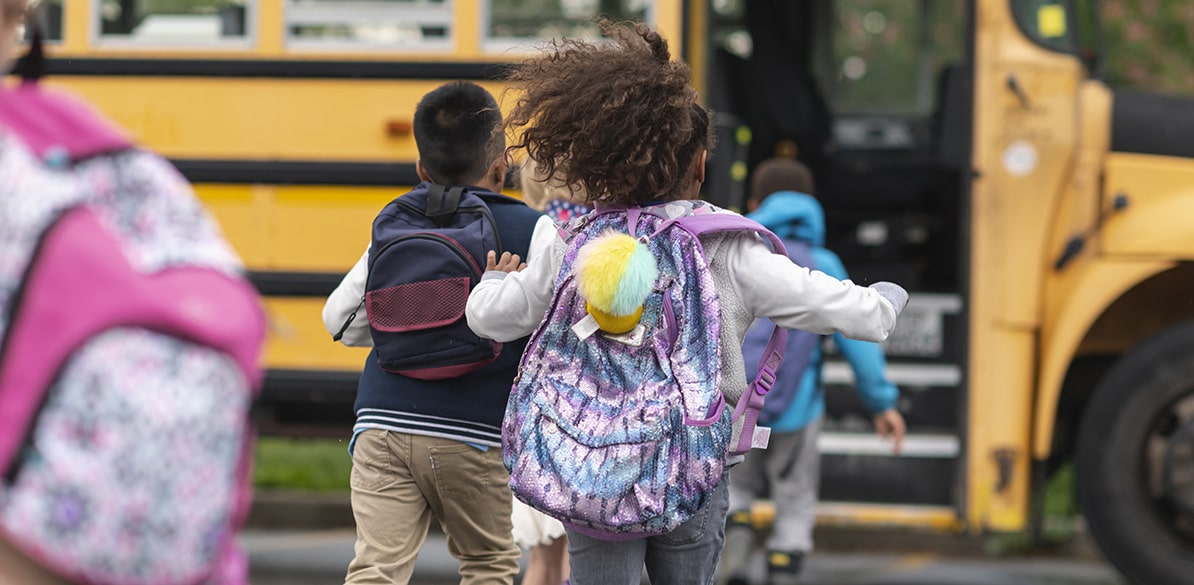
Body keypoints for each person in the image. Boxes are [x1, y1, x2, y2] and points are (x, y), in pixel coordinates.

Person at [463, 21, 908, 585]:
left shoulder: (567, 238)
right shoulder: (727, 246)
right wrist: (884, 303)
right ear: (700, 164)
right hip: (693, 460)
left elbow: (496, 318)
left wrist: (488, 288)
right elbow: (825, 302)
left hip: (590, 461)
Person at [322, 81, 548, 585]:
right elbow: (546, 327)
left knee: (376, 569)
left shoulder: (395, 220)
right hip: (474, 433)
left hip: (381, 420)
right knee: (487, 565)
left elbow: (340, 319)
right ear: (500, 164)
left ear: (421, 168)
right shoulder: (534, 229)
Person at [716, 157, 907, 585]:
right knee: (796, 494)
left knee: (734, 484)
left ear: (754, 202)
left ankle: (738, 536)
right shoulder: (823, 262)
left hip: (735, 404)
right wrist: (881, 402)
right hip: (799, 407)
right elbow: (859, 344)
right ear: (811, 206)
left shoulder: (739, 255)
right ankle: (784, 564)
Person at [507, 155, 584, 585]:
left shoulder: (533, 232)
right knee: (578, 554)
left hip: (539, 407)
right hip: (585, 407)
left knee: (541, 559)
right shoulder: (597, 231)